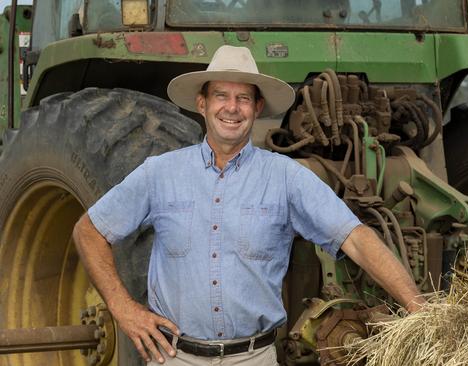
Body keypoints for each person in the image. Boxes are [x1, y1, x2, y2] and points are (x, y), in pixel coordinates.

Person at [73, 45, 423, 366]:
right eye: (221, 95)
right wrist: (123, 309)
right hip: (175, 357)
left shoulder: (285, 177)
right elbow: (89, 231)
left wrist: (420, 310)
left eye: (243, 98)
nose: (231, 107)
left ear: (256, 108)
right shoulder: (160, 173)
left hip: (253, 358)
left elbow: (356, 238)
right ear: (202, 103)